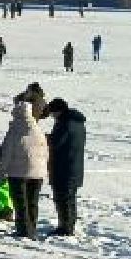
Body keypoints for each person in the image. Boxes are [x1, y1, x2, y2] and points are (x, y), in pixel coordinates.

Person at [0, 87, 49, 237]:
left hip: (18, 173)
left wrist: (1, 172)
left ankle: (24, 231)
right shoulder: (36, 128)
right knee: (32, 202)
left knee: (21, 204)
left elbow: (6, 152)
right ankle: (32, 228)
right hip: (38, 173)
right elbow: (44, 149)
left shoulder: (15, 128)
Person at [44, 98, 86, 236]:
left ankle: (65, 228)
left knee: (63, 199)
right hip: (74, 166)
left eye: (52, 113)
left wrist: (44, 138)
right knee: (70, 199)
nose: (52, 116)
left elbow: (56, 143)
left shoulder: (65, 123)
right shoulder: (78, 123)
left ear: (58, 111)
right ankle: (68, 225)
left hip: (64, 167)